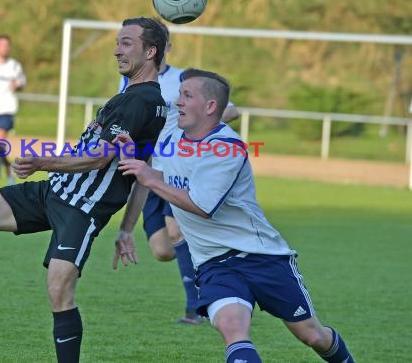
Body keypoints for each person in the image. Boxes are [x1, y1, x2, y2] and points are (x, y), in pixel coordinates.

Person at [0, 17, 168, 363]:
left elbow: (99, 158)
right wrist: (125, 229)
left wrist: (43, 163)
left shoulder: (142, 100)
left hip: (82, 207)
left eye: (126, 43)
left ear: (150, 51)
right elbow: (141, 173)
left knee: (59, 290)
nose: (116, 50)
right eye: (117, 42)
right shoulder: (132, 96)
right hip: (55, 192)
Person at [116, 68, 355, 363]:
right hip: (214, 263)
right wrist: (133, 158)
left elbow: (202, 206)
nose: (177, 101)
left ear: (210, 106)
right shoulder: (173, 134)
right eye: (179, 94)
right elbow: (162, 169)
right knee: (232, 327)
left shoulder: (225, 147)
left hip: (262, 257)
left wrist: (150, 179)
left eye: (186, 95)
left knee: (311, 335)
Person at [116, 21, 241, 324]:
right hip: (150, 171)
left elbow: (232, 110)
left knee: (176, 230)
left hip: (179, 170)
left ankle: (195, 307)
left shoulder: (182, 82)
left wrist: (194, 128)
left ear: (159, 49)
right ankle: (209, 265)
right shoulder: (129, 82)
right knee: (162, 250)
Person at [0, 34, 27, 185]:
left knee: (0, 138)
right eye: (2, 45)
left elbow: (22, 80)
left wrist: (17, 84)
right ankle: (7, 167)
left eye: (7, 45)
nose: (5, 48)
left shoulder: (14, 65)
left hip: (7, 108)